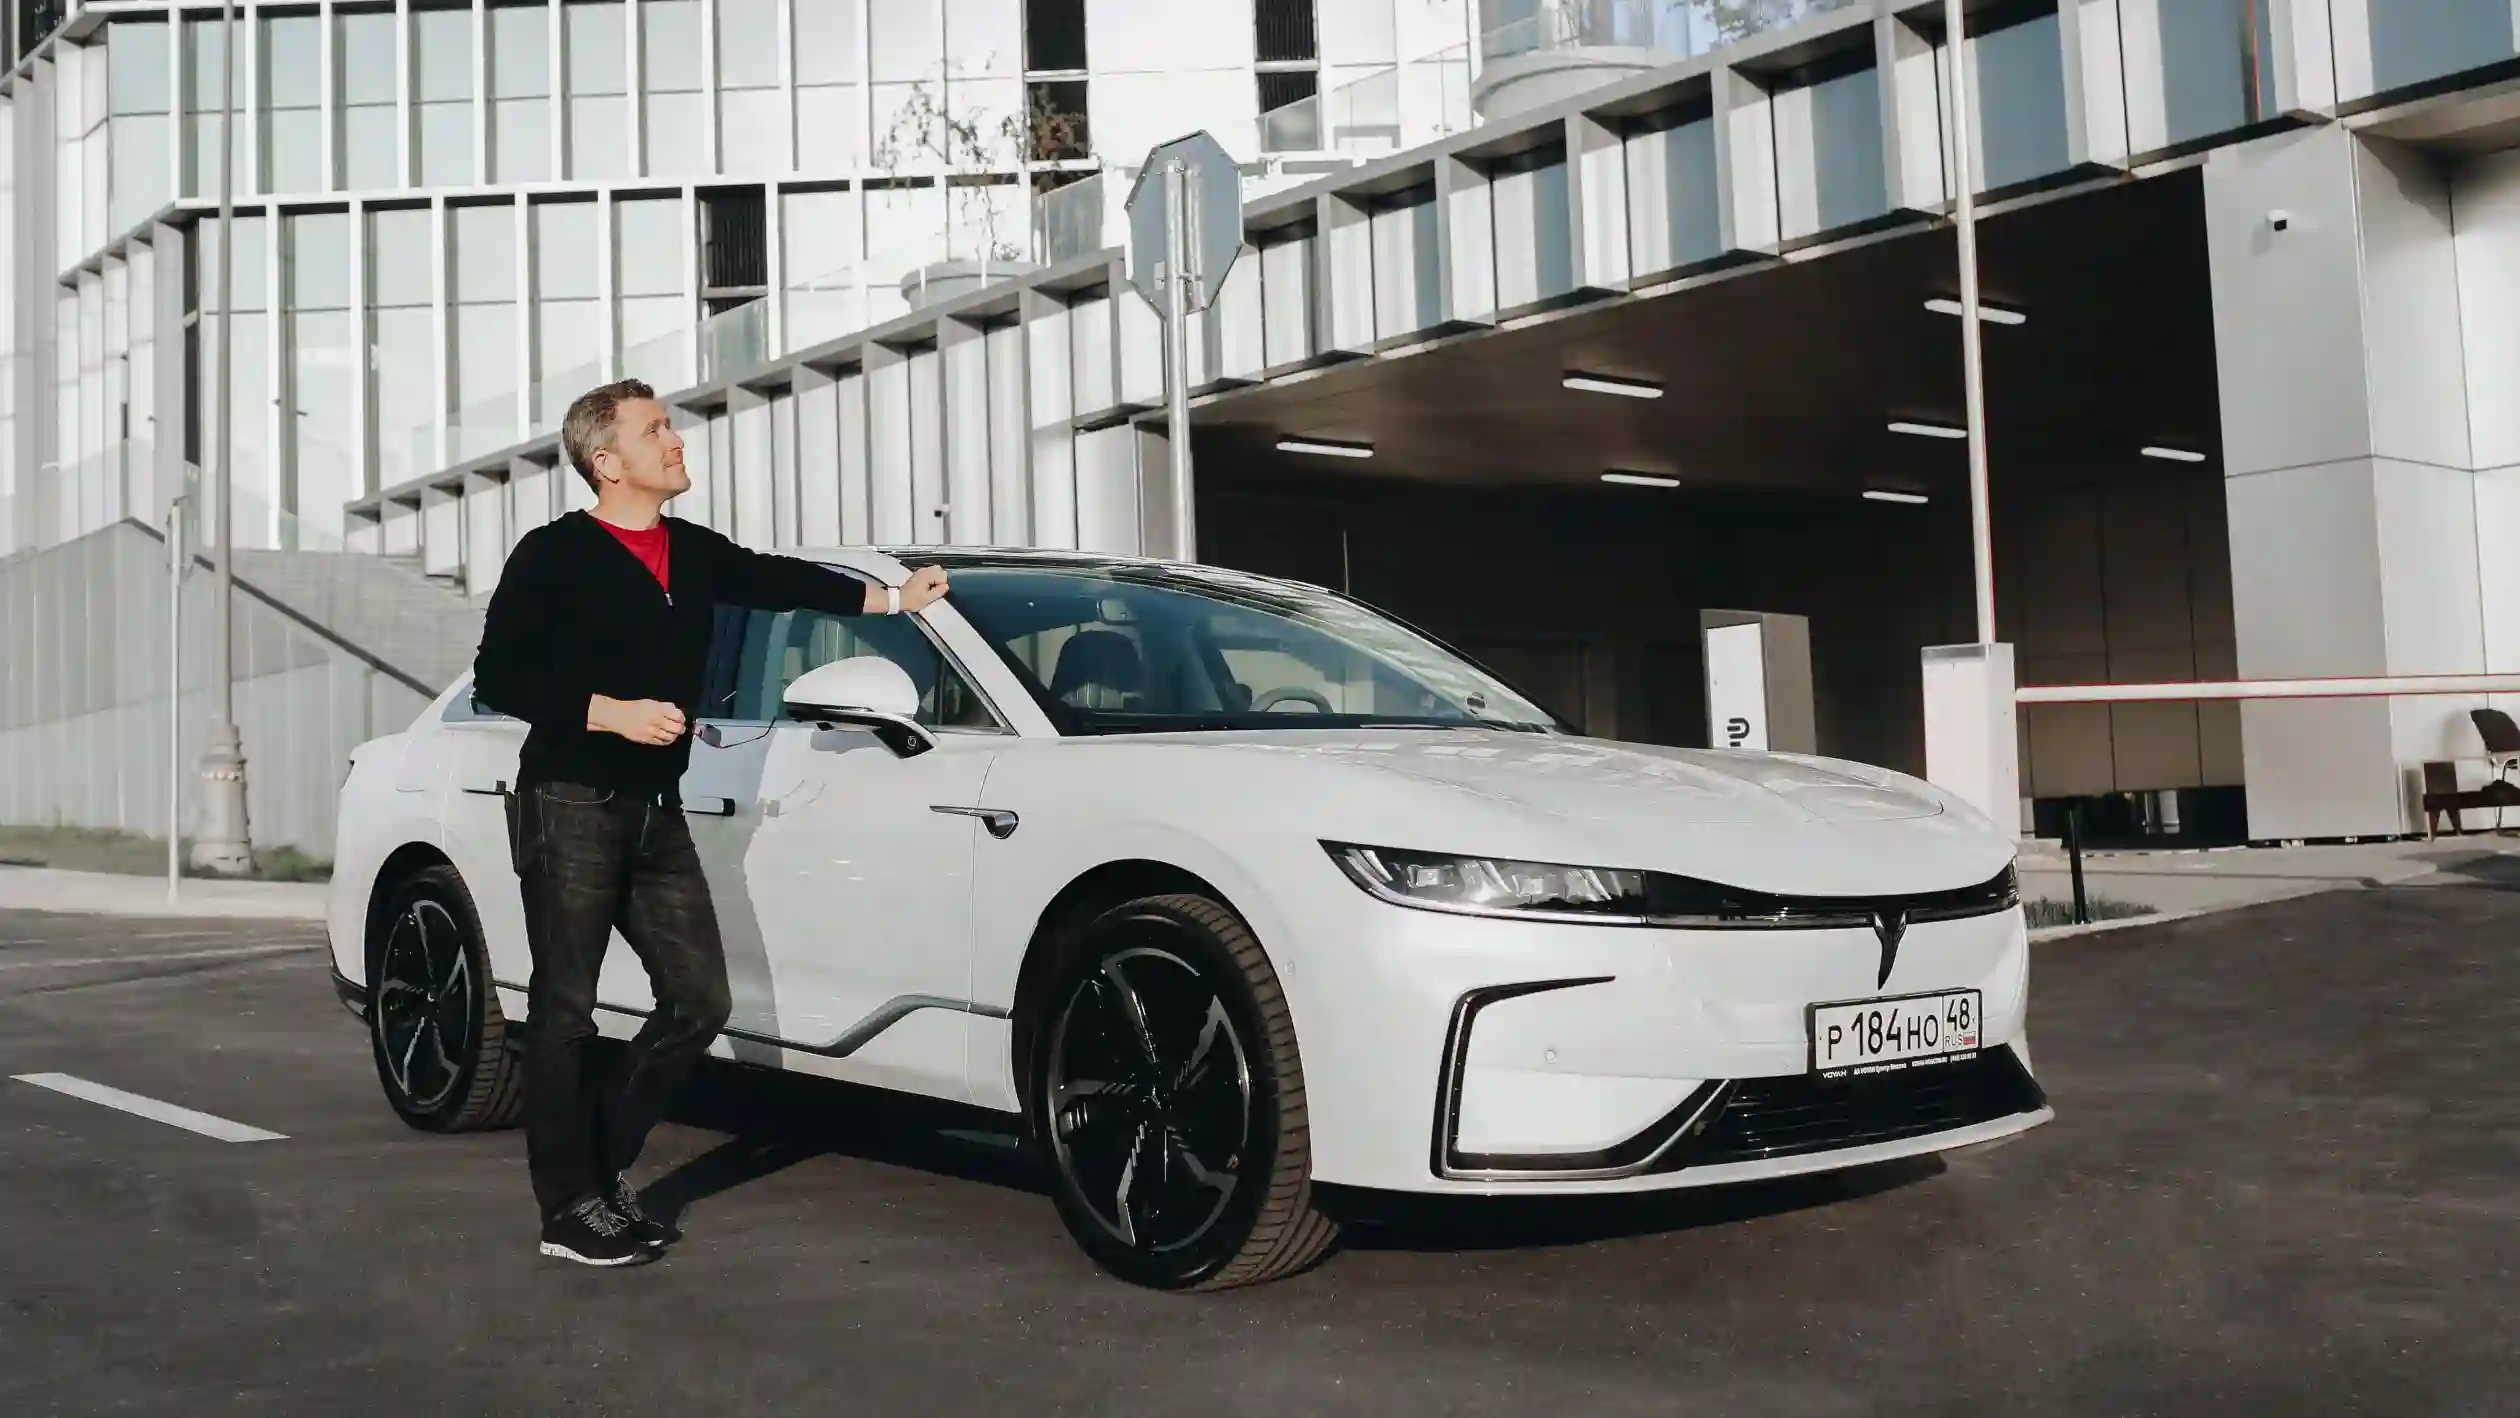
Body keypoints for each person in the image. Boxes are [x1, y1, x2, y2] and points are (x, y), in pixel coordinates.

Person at [471, 378, 949, 1267]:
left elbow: (780, 582)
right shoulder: (554, 553)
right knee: (566, 1008)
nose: (676, 440)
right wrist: (609, 713)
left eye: (671, 426)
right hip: (569, 801)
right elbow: (499, 674)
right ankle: (566, 1212)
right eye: (655, 430)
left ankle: (599, 1177)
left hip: (657, 811)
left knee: (699, 1001)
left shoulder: (691, 551)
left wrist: (894, 602)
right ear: (606, 461)